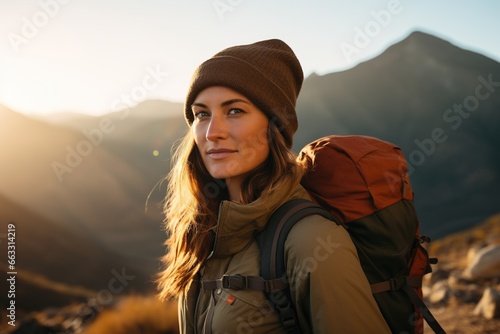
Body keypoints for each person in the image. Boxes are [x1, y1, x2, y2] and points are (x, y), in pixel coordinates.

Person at [157, 39, 390, 333]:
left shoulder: (312, 241)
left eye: (235, 111)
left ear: (274, 126)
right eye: (202, 114)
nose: (212, 132)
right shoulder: (202, 232)